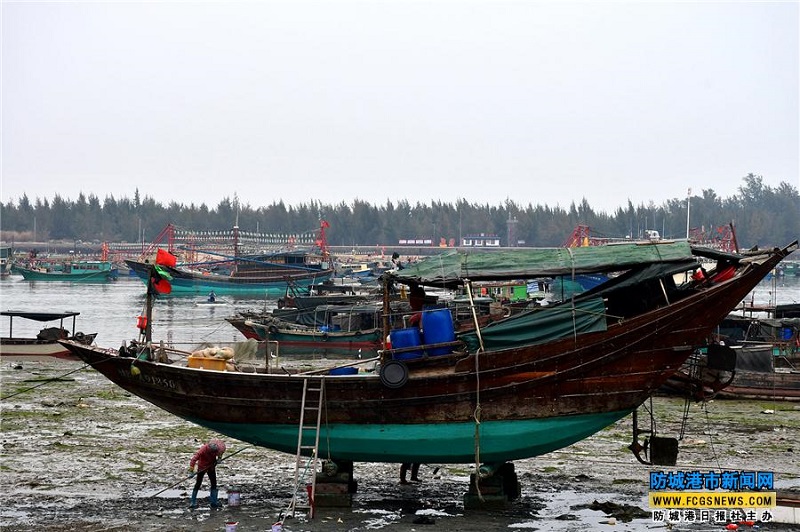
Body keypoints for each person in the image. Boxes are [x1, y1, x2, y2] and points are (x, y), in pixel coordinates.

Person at [188, 438, 226, 508]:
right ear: (209, 451)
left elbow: (220, 453)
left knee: (214, 483)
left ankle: (214, 502)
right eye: (213, 453)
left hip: (211, 467)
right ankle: (193, 502)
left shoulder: (219, 448)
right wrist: (191, 471)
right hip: (202, 467)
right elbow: (193, 460)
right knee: (198, 484)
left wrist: (219, 459)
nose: (215, 454)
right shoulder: (202, 450)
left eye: (215, 453)